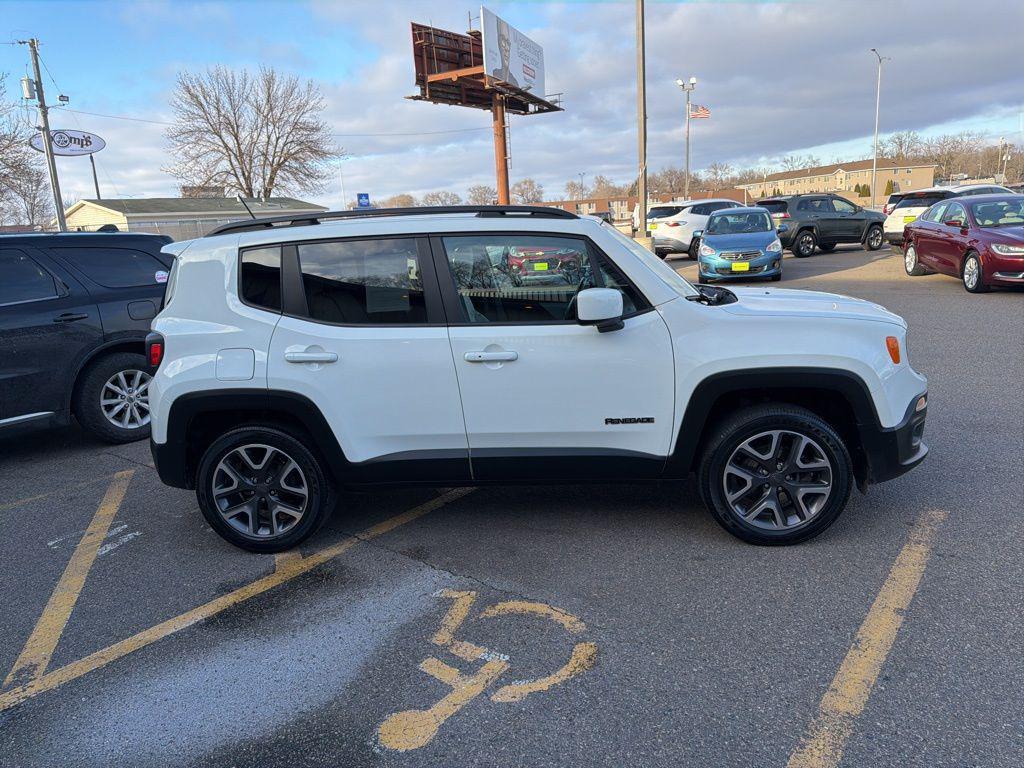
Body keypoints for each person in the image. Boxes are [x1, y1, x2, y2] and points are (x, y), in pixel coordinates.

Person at [491, 18, 519, 87]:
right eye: (503, 40)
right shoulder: (493, 73)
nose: (506, 48)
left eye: (508, 43)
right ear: (498, 42)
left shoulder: (515, 83)